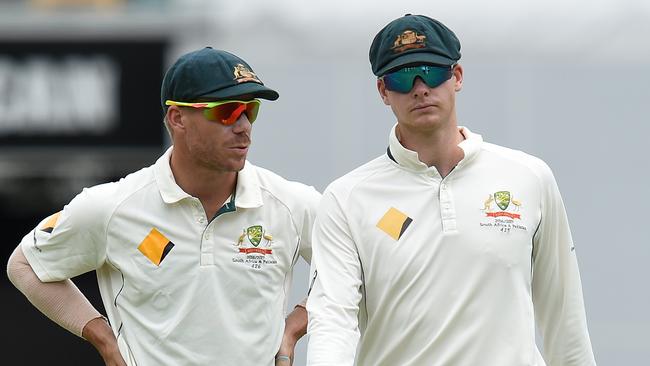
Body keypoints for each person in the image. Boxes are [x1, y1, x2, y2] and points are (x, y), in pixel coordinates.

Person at [306, 14, 596, 366]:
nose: (419, 88)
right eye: (402, 77)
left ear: (456, 76)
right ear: (384, 91)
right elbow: (333, 320)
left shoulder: (529, 177)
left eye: (431, 71)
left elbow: (564, 316)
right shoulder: (346, 198)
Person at [6, 47, 320, 366]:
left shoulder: (292, 203)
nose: (243, 126)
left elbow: (356, 268)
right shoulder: (112, 205)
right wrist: (103, 338)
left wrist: (292, 330)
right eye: (227, 111)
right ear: (178, 117)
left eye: (250, 110)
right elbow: (25, 264)